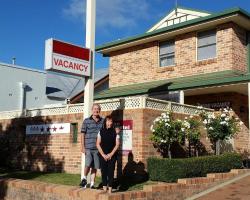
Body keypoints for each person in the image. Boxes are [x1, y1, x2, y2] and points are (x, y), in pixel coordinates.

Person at [80, 103, 104, 189]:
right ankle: (84, 179)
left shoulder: (103, 121)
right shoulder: (86, 121)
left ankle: (92, 184)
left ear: (99, 111)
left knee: (95, 166)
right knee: (88, 164)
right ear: (92, 110)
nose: (96, 110)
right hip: (88, 147)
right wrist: (83, 146)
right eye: (94, 109)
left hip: (98, 148)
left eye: (97, 109)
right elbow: (82, 134)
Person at [96, 115, 120, 193]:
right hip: (102, 155)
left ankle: (110, 189)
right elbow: (98, 144)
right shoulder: (101, 131)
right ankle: (104, 188)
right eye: (108, 121)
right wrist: (103, 155)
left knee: (110, 172)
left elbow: (117, 145)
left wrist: (110, 154)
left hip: (112, 156)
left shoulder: (115, 132)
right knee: (104, 172)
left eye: (110, 121)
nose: (109, 123)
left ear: (112, 122)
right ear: (105, 122)